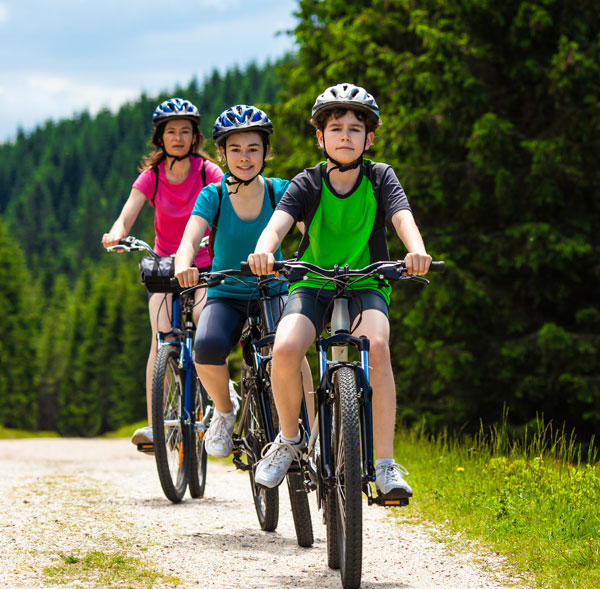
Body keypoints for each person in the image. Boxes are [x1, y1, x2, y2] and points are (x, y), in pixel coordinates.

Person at [247, 83, 432, 499]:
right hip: (312, 282)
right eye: (336, 128)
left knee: (378, 346)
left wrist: (416, 251)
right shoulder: (307, 182)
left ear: (369, 137)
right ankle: (290, 439)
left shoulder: (380, 176)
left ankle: (384, 465)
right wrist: (263, 251)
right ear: (320, 137)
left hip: (368, 280)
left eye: (355, 128)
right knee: (286, 348)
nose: (345, 136)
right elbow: (277, 224)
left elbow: (402, 217)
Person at [175, 105, 313, 458]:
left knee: (293, 351)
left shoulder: (279, 190)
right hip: (227, 293)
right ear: (222, 153)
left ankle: (312, 431)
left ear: (266, 151)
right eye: (235, 149)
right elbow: (190, 240)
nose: (245, 157)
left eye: (253, 148)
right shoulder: (214, 195)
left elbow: (309, 234)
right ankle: (223, 410)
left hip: (275, 290)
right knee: (205, 347)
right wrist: (184, 265)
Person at [102, 98, 224, 451]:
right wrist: (116, 233)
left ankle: (219, 406)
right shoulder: (152, 176)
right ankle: (157, 425)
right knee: (159, 339)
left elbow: (227, 200)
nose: (179, 138)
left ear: (195, 137)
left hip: (203, 264)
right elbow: (128, 213)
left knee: (207, 321)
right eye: (172, 132)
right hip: (165, 265)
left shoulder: (207, 172)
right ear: (160, 137)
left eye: (185, 131)